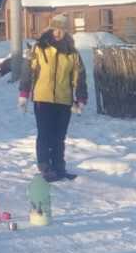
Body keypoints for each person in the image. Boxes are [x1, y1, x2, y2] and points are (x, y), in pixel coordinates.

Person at [19, 13, 87, 181]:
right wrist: (23, 93)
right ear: (51, 28)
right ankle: (45, 167)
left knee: (59, 136)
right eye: (55, 28)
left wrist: (80, 98)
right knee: (44, 134)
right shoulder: (39, 48)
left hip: (64, 100)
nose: (58, 32)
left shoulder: (72, 52)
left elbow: (79, 76)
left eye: (62, 30)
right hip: (43, 98)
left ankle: (59, 167)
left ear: (66, 32)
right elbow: (28, 70)